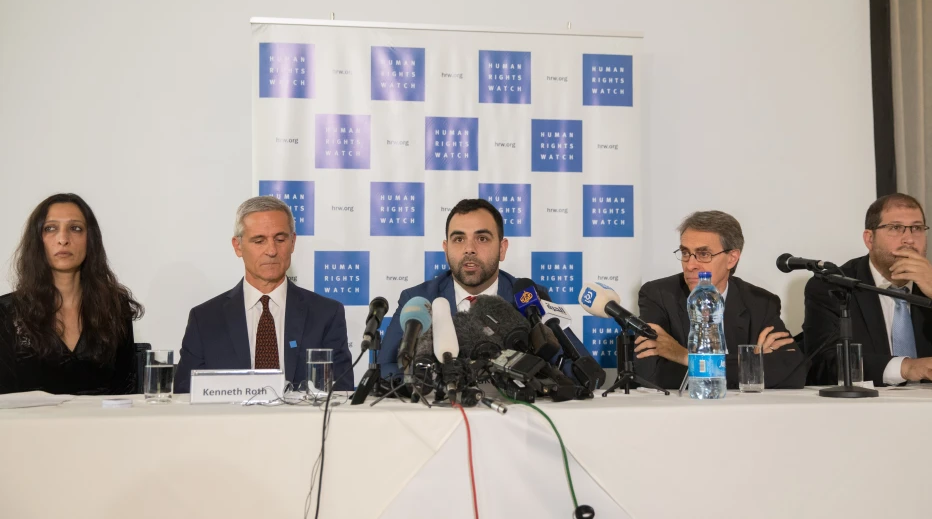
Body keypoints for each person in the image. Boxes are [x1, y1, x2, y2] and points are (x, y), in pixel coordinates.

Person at [378, 198, 588, 378]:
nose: (469, 249)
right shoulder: (418, 299)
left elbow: (579, 366)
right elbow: (386, 369)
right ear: (446, 249)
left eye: (482, 238)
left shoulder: (528, 298)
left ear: (502, 248)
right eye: (459, 239)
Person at [803, 193, 932, 386]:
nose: (909, 239)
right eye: (895, 228)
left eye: (917, 228)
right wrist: (906, 368)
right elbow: (823, 365)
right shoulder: (833, 285)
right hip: (867, 410)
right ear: (869, 239)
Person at [174, 197, 353, 393]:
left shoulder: (326, 314)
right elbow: (185, 395)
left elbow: (340, 392)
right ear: (238, 246)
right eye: (259, 241)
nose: (272, 250)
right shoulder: (205, 319)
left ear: (293, 242)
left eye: (280, 239)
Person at [634, 210, 807, 389]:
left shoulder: (760, 302)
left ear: (731, 259)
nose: (690, 265)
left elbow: (793, 373)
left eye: (703, 254)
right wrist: (751, 362)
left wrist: (685, 357)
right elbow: (651, 373)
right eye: (685, 253)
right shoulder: (659, 295)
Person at [0, 193, 143, 395]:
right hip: (28, 427)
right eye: (50, 228)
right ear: (37, 241)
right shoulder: (6, 312)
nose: (63, 239)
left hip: (101, 426)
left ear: (90, 240)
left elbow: (126, 392)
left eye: (75, 228)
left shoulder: (115, 308)